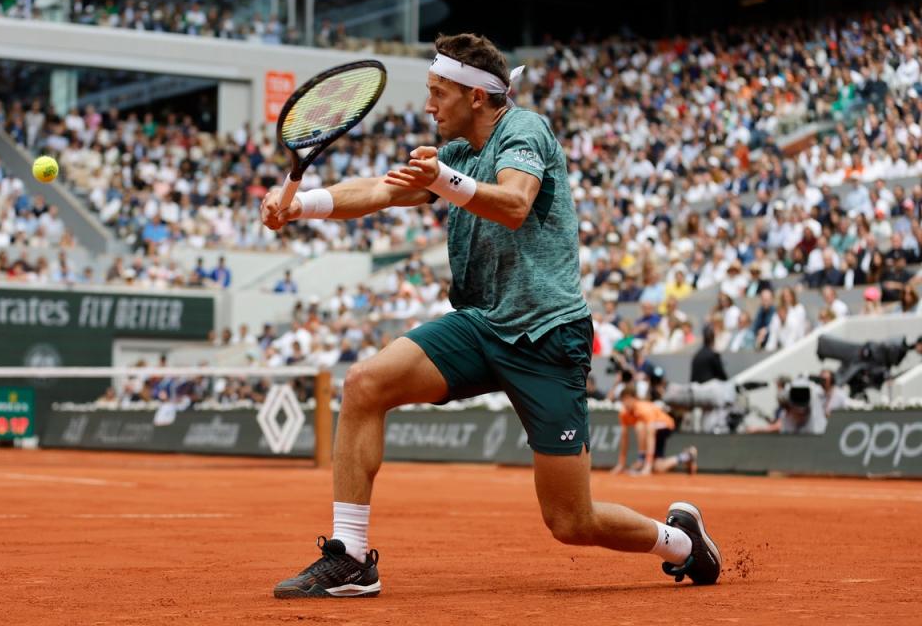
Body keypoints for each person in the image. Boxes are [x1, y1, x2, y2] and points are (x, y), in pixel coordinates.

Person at [260, 33, 721, 598]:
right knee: (364, 384)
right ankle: (351, 558)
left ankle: (681, 542)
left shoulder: (524, 129)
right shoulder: (455, 154)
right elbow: (380, 190)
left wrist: (441, 181)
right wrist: (300, 205)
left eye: (438, 92)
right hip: (481, 324)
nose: (428, 105)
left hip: (548, 336)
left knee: (571, 521)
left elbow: (514, 203)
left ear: (476, 97)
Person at [613, 384, 697, 476]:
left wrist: (647, 465)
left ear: (635, 398)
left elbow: (650, 433)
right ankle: (687, 456)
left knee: (640, 425)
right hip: (652, 431)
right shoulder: (623, 414)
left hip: (664, 425)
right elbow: (624, 439)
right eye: (623, 400)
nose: (626, 403)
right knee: (658, 467)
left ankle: (642, 460)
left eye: (628, 399)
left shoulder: (643, 409)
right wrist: (621, 463)